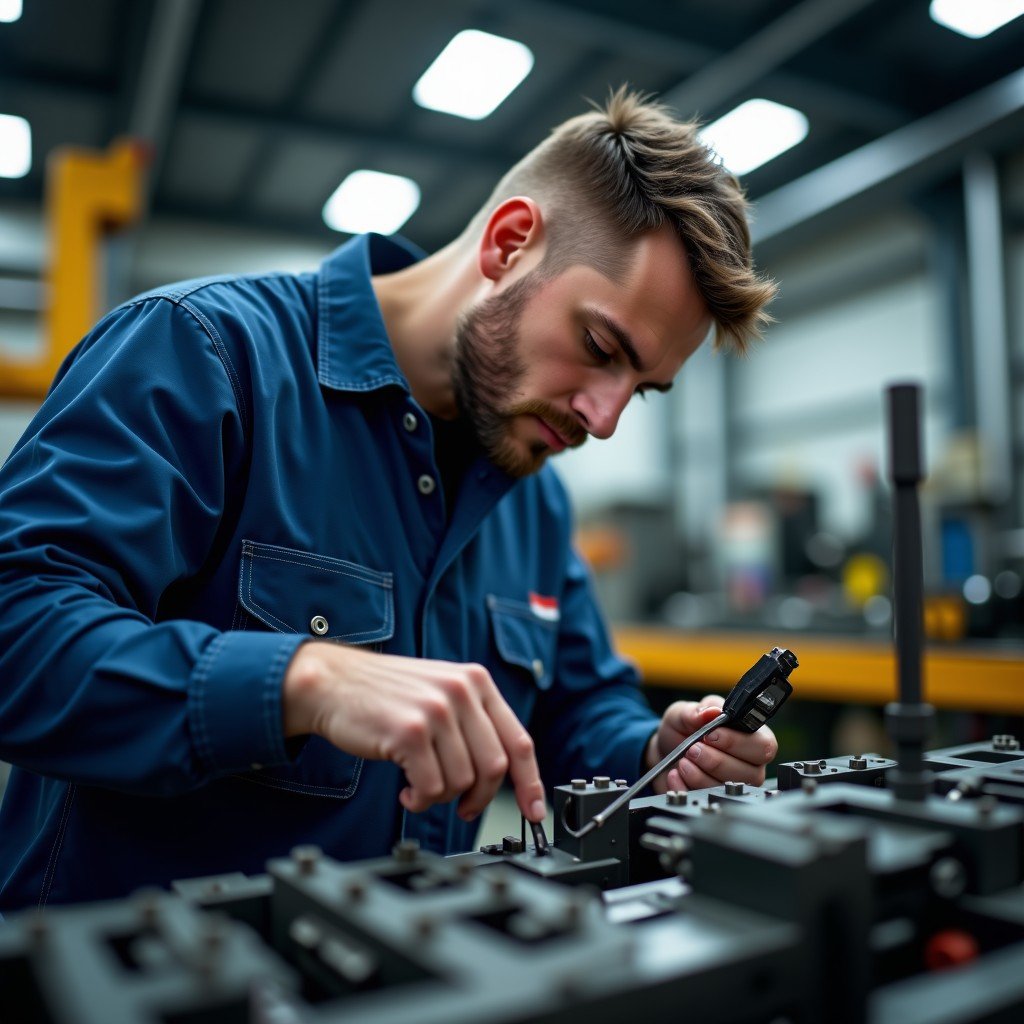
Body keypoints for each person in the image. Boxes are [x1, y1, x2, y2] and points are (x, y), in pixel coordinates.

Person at [0, 89, 778, 911]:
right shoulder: (204, 356)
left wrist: (657, 751)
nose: (606, 417)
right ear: (511, 243)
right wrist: (302, 679)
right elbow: (18, 626)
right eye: (598, 347)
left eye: (642, 390)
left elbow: (578, 710)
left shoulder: (532, 499)